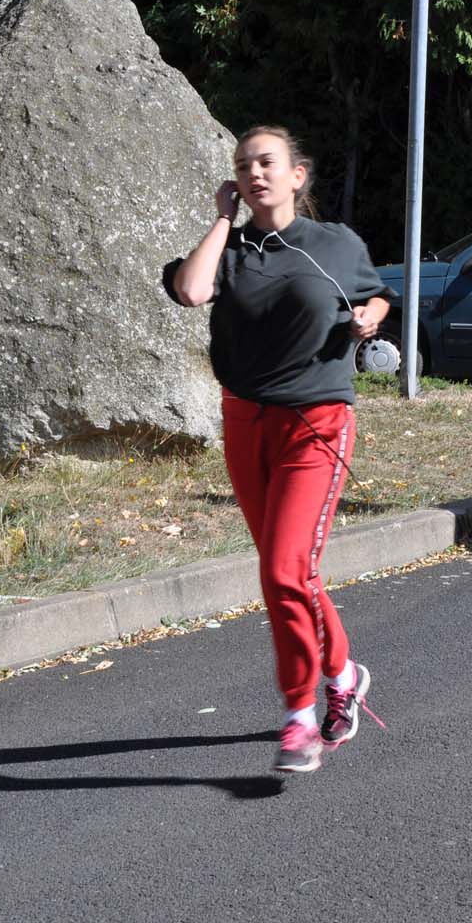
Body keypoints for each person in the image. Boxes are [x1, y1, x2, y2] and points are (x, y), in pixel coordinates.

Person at [163, 125, 392, 774]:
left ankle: (298, 718)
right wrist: (220, 220)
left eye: (267, 162)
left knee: (284, 571)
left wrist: (371, 314)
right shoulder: (229, 251)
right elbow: (190, 290)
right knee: (289, 571)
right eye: (243, 165)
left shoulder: (334, 243)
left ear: (298, 175)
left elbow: (376, 293)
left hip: (316, 419)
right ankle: (343, 673)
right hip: (245, 421)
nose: (254, 171)